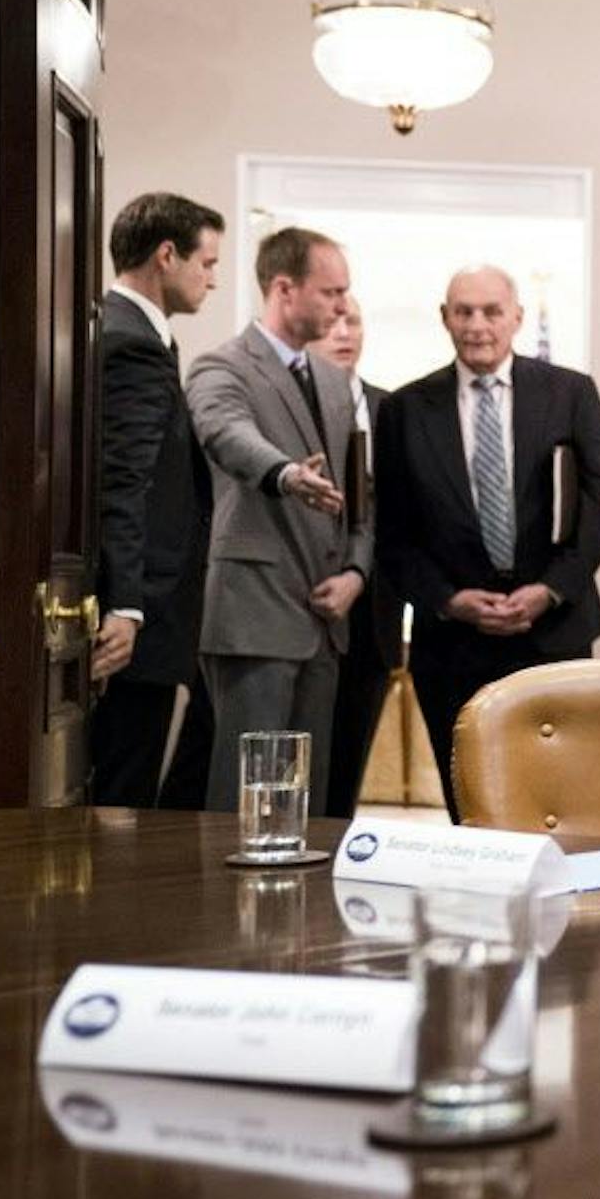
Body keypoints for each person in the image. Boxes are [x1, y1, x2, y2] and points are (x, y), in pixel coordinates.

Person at [374, 266, 600, 822]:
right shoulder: (406, 409)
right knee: (471, 805)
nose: (477, 325)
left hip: (553, 633)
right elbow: (393, 535)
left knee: (559, 800)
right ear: (444, 318)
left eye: (491, 311)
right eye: (463, 312)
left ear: (516, 318)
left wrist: (551, 589)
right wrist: (448, 599)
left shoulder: (570, 394)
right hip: (452, 643)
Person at [186, 226, 368, 816]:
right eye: (331, 292)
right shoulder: (223, 366)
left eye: (346, 293)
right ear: (284, 289)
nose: (342, 307)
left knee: (304, 808)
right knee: (242, 803)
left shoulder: (337, 383)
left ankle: (299, 913)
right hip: (254, 616)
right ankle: (220, 912)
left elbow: (360, 498)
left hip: (323, 624)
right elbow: (224, 432)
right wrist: (286, 473)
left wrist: (357, 574)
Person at [90, 192, 224, 806]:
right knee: (123, 786)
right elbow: (126, 480)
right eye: (207, 263)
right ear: (167, 255)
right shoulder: (132, 341)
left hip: (149, 606)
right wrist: (126, 604)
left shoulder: (128, 330)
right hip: (138, 614)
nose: (212, 280)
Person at [307, 299, 404, 818]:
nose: (345, 333)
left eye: (355, 322)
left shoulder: (393, 409)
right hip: (302, 611)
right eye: (332, 322)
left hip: (372, 623)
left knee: (344, 776)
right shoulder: (288, 402)